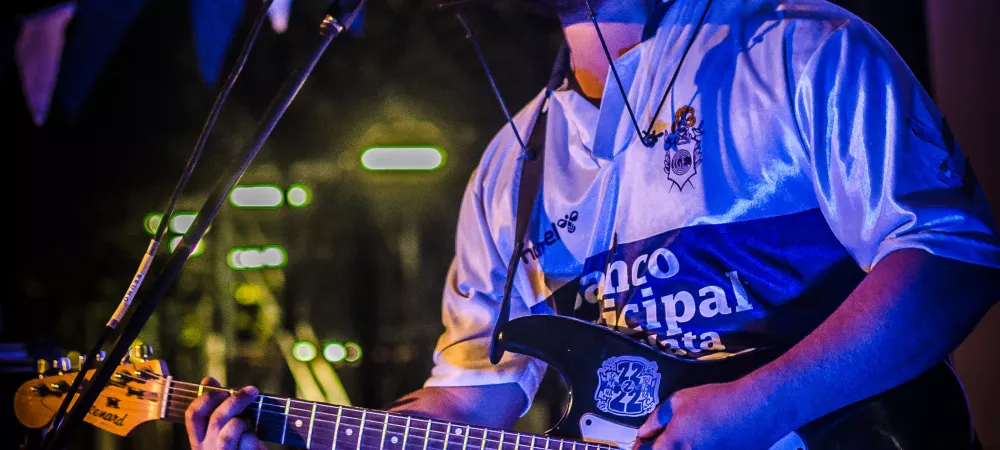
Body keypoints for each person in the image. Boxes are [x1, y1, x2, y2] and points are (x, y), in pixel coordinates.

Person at [184, 0, 1000, 448]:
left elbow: (951, 259)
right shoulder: (513, 163)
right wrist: (292, 438)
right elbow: (469, 405)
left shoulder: (800, 49)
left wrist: (757, 408)